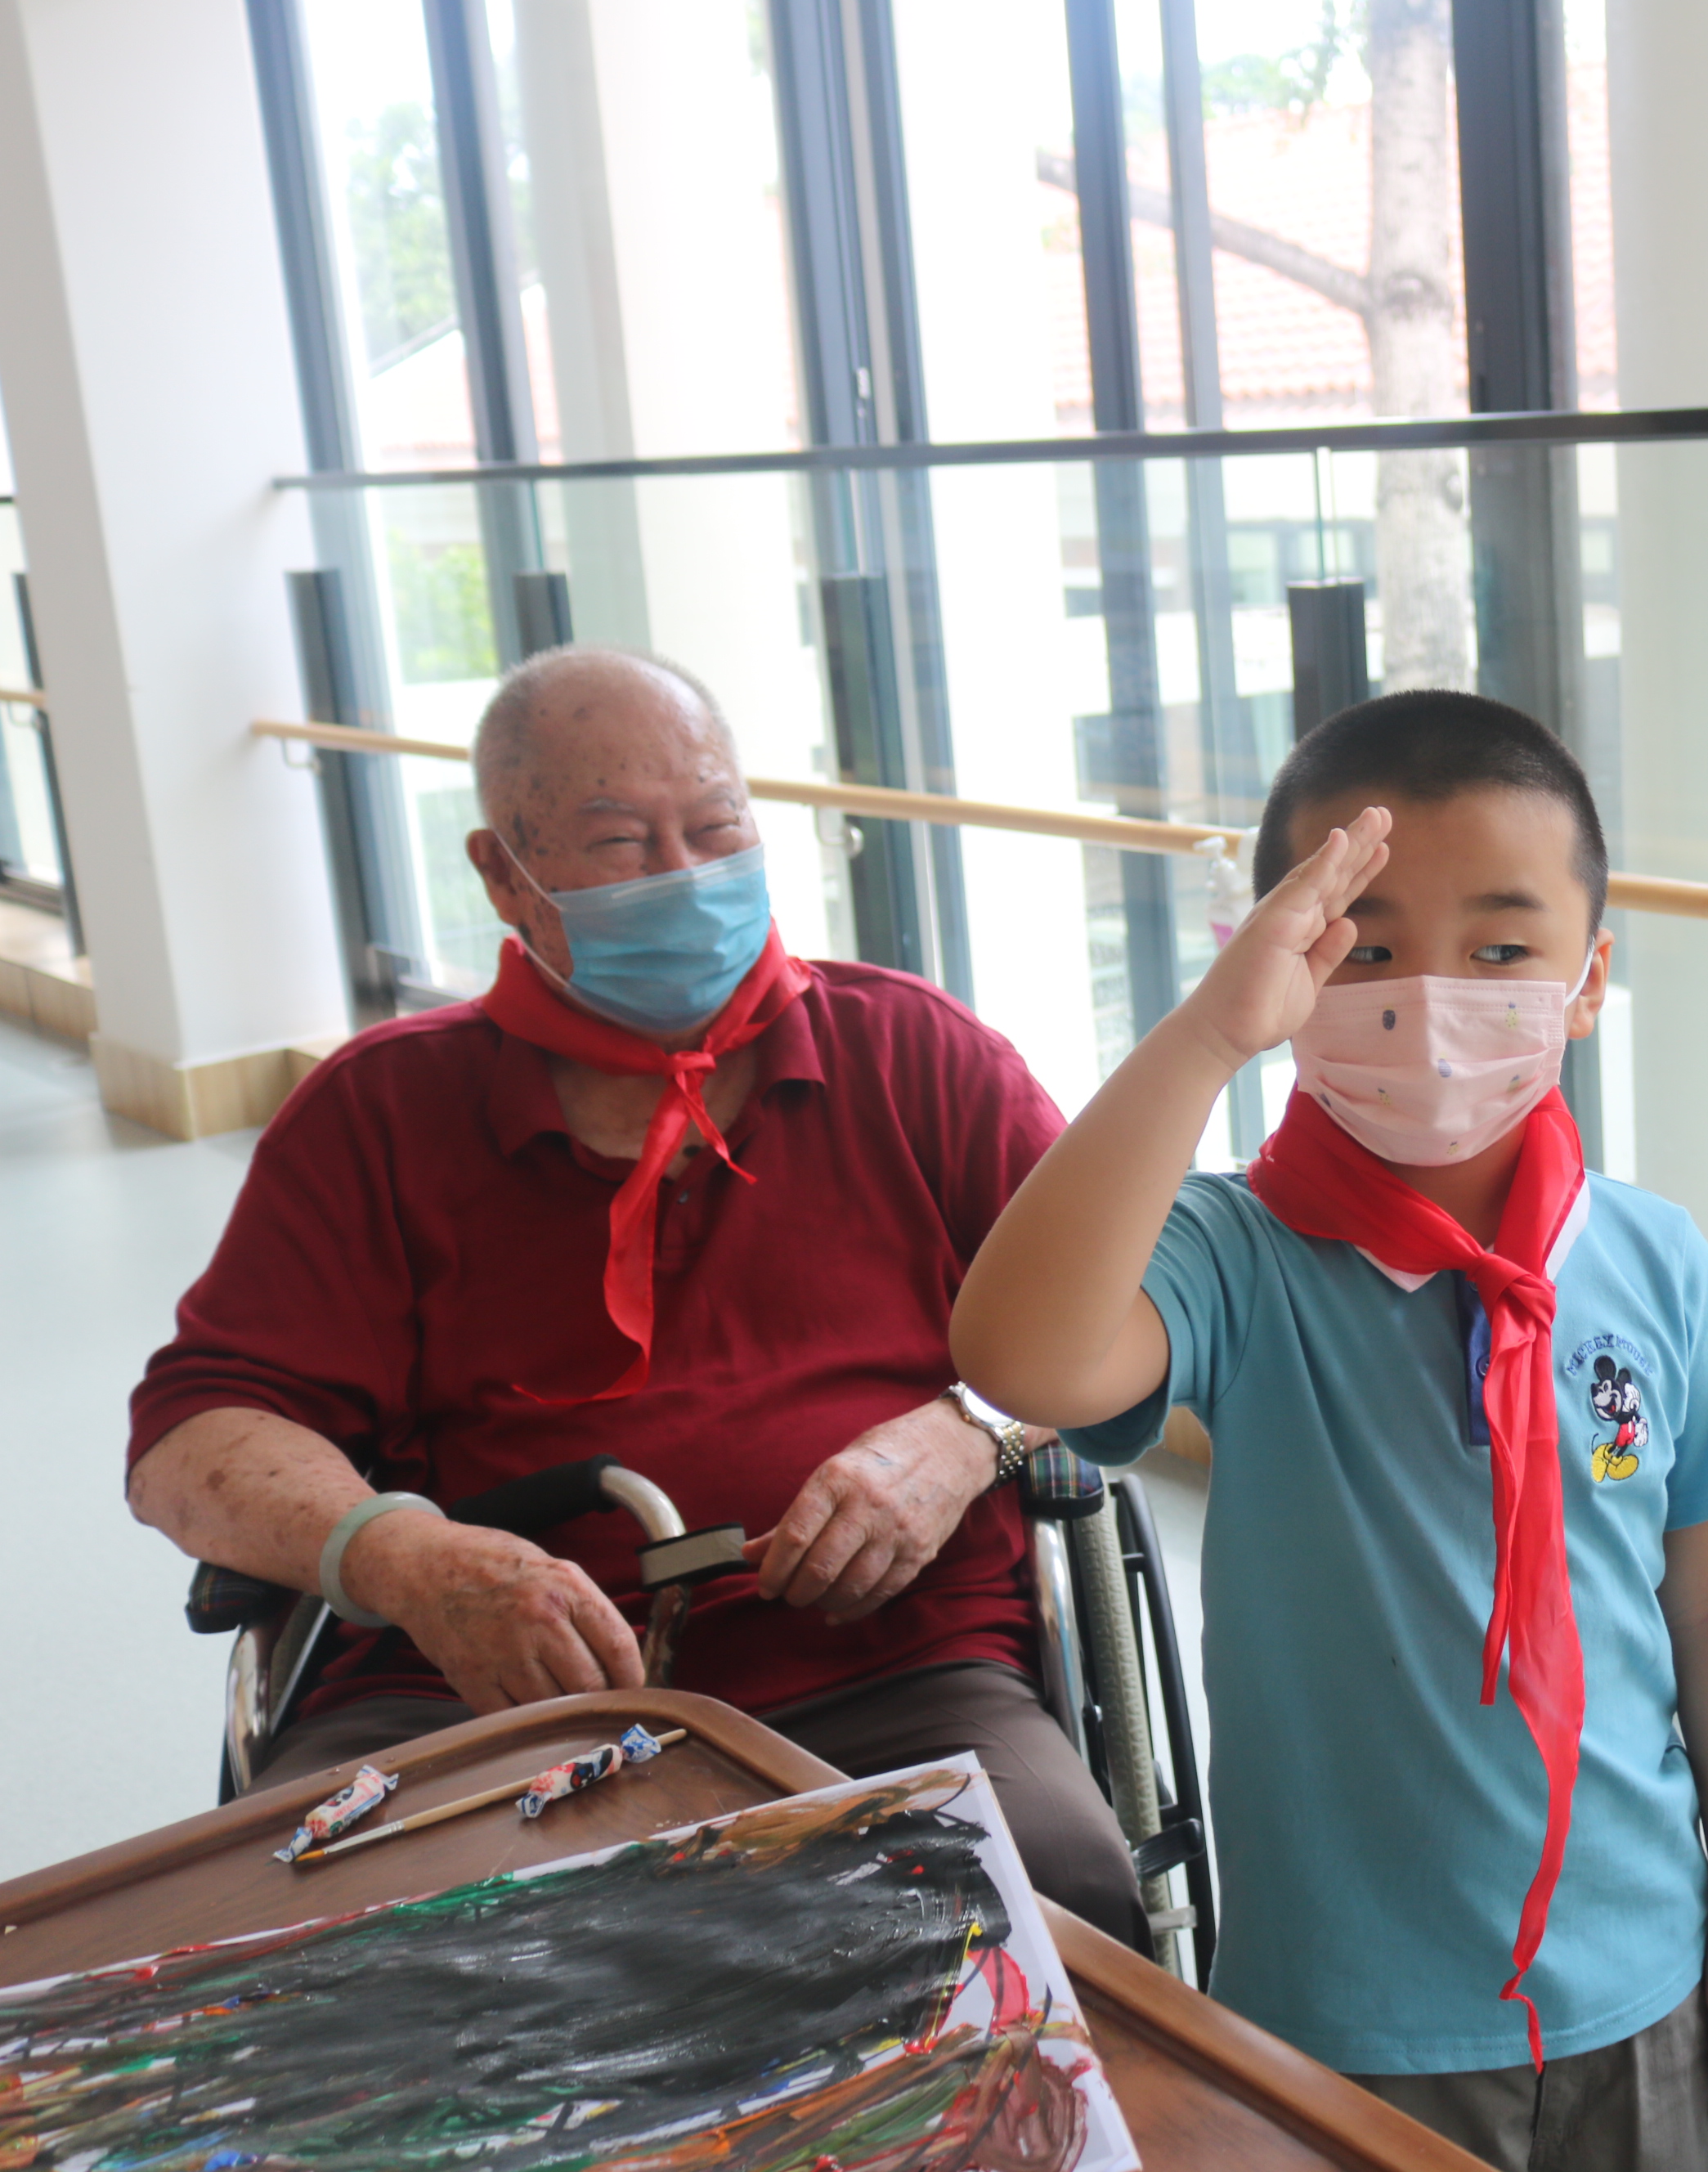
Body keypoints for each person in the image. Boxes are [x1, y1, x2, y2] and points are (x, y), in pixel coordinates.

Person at [127, 645, 1144, 1944]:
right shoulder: (378, 1113)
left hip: (893, 1671)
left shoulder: (916, 1055)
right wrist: (410, 1560)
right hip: (474, 1697)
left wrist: (961, 1437)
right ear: (506, 875)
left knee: (1052, 1901)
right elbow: (192, 1439)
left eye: (716, 829)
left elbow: (1121, 1311)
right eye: (620, 841)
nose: (687, 874)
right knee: (321, 1962)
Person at [953, 691, 1708, 2171]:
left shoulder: (1653, 1260)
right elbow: (1021, 1353)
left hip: (1640, 1979)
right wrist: (1209, 1037)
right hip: (1344, 2012)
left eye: (1501, 950)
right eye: (1365, 949)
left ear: (1590, 980)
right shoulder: (1238, 1253)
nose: (1432, 1002)